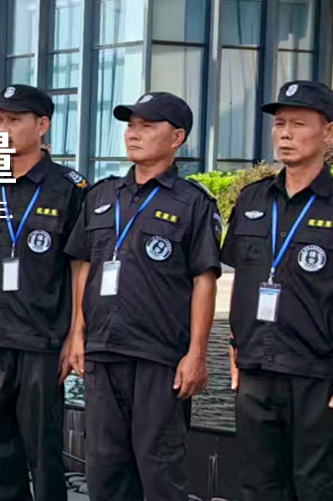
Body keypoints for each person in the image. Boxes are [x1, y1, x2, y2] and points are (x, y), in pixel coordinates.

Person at [220, 81, 333, 500]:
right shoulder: (253, 199)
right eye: (279, 124)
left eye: (298, 124)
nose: (286, 134)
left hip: (317, 371)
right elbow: (242, 280)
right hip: (256, 366)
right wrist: (235, 345)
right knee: (255, 485)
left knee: (315, 485)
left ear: (328, 132)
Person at [62, 92, 220, 501]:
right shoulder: (102, 196)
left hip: (159, 356)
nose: (133, 134)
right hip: (103, 351)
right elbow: (84, 266)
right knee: (105, 470)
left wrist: (197, 353)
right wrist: (77, 333)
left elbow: (204, 280)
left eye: (147, 126)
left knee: (160, 470)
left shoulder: (193, 202)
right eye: (131, 126)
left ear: (177, 137)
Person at [0, 84, 83, 501]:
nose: (3, 128)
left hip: (39, 336)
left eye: (14, 120)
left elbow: (79, 267)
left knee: (43, 447)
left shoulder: (69, 188)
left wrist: (75, 335)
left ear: (42, 125)